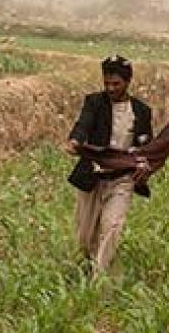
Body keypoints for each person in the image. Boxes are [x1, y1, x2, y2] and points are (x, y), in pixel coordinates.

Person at [65, 55, 153, 275]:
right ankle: (90, 263)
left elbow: (146, 145)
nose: (111, 88)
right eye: (107, 83)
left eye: (116, 84)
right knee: (85, 236)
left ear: (128, 82)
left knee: (112, 226)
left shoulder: (141, 111)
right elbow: (83, 124)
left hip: (122, 179)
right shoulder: (94, 103)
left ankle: (99, 278)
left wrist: (145, 165)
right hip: (93, 177)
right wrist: (76, 141)